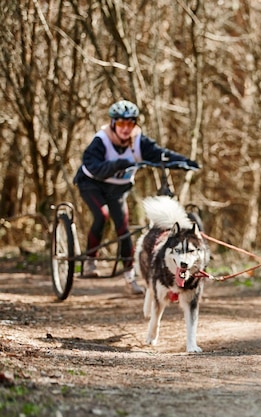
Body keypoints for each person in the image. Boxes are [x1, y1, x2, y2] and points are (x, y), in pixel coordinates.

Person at [73, 99, 199, 295]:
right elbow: (91, 166)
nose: (125, 128)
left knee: (123, 229)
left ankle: (129, 277)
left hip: (118, 189)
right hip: (92, 185)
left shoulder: (138, 140)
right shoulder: (101, 141)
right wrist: (116, 164)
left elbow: (160, 154)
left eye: (130, 124)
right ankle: (90, 261)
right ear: (113, 124)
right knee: (102, 216)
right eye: (121, 124)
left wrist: (184, 162)